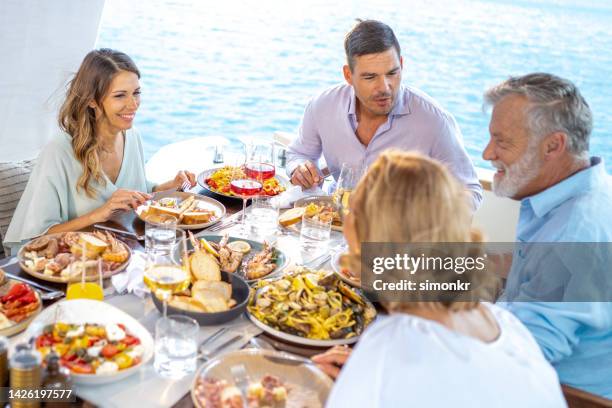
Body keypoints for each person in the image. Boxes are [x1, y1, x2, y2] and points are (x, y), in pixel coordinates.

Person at [315, 151, 565, 407]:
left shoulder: (390, 348)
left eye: (352, 211)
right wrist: (362, 374)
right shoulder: (503, 322)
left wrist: (349, 380)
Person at [482, 73, 612, 399]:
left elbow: (525, 353)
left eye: (502, 142)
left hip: (566, 394)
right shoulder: (577, 192)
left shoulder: (578, 231)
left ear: (553, 145)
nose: (486, 153)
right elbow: (536, 270)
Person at [3, 49, 195, 253]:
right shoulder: (59, 150)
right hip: (70, 263)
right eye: (120, 96)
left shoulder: (132, 136)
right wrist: (100, 214)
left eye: (136, 93)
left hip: (122, 255)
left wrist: (171, 187)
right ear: (92, 100)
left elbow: (138, 193)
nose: (133, 105)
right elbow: (38, 238)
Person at [286, 19, 482, 210]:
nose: (384, 88)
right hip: (334, 220)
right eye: (370, 77)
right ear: (348, 75)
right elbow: (300, 153)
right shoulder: (322, 105)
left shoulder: (433, 121)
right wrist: (300, 168)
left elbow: (470, 192)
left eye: (392, 73)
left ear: (402, 64)